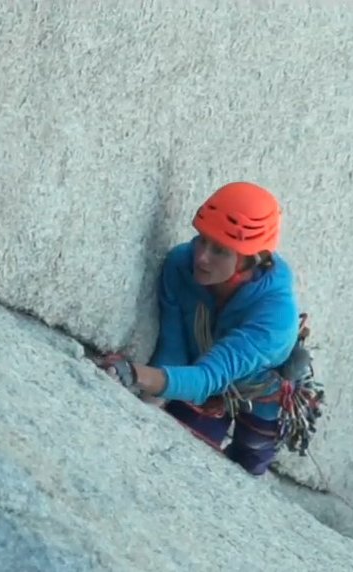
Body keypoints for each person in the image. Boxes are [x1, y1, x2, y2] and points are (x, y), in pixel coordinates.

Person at [97, 181, 300, 476]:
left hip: (258, 387)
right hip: (201, 371)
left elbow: (208, 378)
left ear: (253, 261)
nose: (201, 257)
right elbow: (173, 347)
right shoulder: (181, 265)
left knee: (251, 458)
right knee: (188, 439)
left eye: (220, 251)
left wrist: (133, 373)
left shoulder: (276, 317)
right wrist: (146, 404)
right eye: (202, 239)